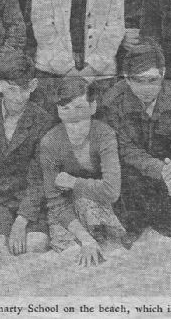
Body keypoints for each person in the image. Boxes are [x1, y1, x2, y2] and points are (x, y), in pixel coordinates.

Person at [96, 39, 171, 242]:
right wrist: (160, 170)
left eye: (153, 80)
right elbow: (123, 149)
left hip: (170, 177)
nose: (147, 88)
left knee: (170, 229)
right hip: (131, 178)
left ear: (163, 74)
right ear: (127, 79)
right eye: (139, 81)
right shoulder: (112, 101)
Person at [40, 77, 124, 266]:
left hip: (97, 204)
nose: (72, 116)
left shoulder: (104, 134)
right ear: (58, 111)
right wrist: (85, 239)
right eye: (65, 108)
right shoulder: (50, 142)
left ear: (92, 107)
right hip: (65, 214)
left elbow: (112, 191)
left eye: (79, 107)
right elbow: (55, 202)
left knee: (109, 253)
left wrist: (73, 182)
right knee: (73, 256)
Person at [0, 53, 55, 255]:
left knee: (36, 245)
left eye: (24, 89)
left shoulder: (42, 120)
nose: (18, 97)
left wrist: (21, 221)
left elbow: (41, 176)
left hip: (28, 197)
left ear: (34, 85)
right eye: (11, 89)